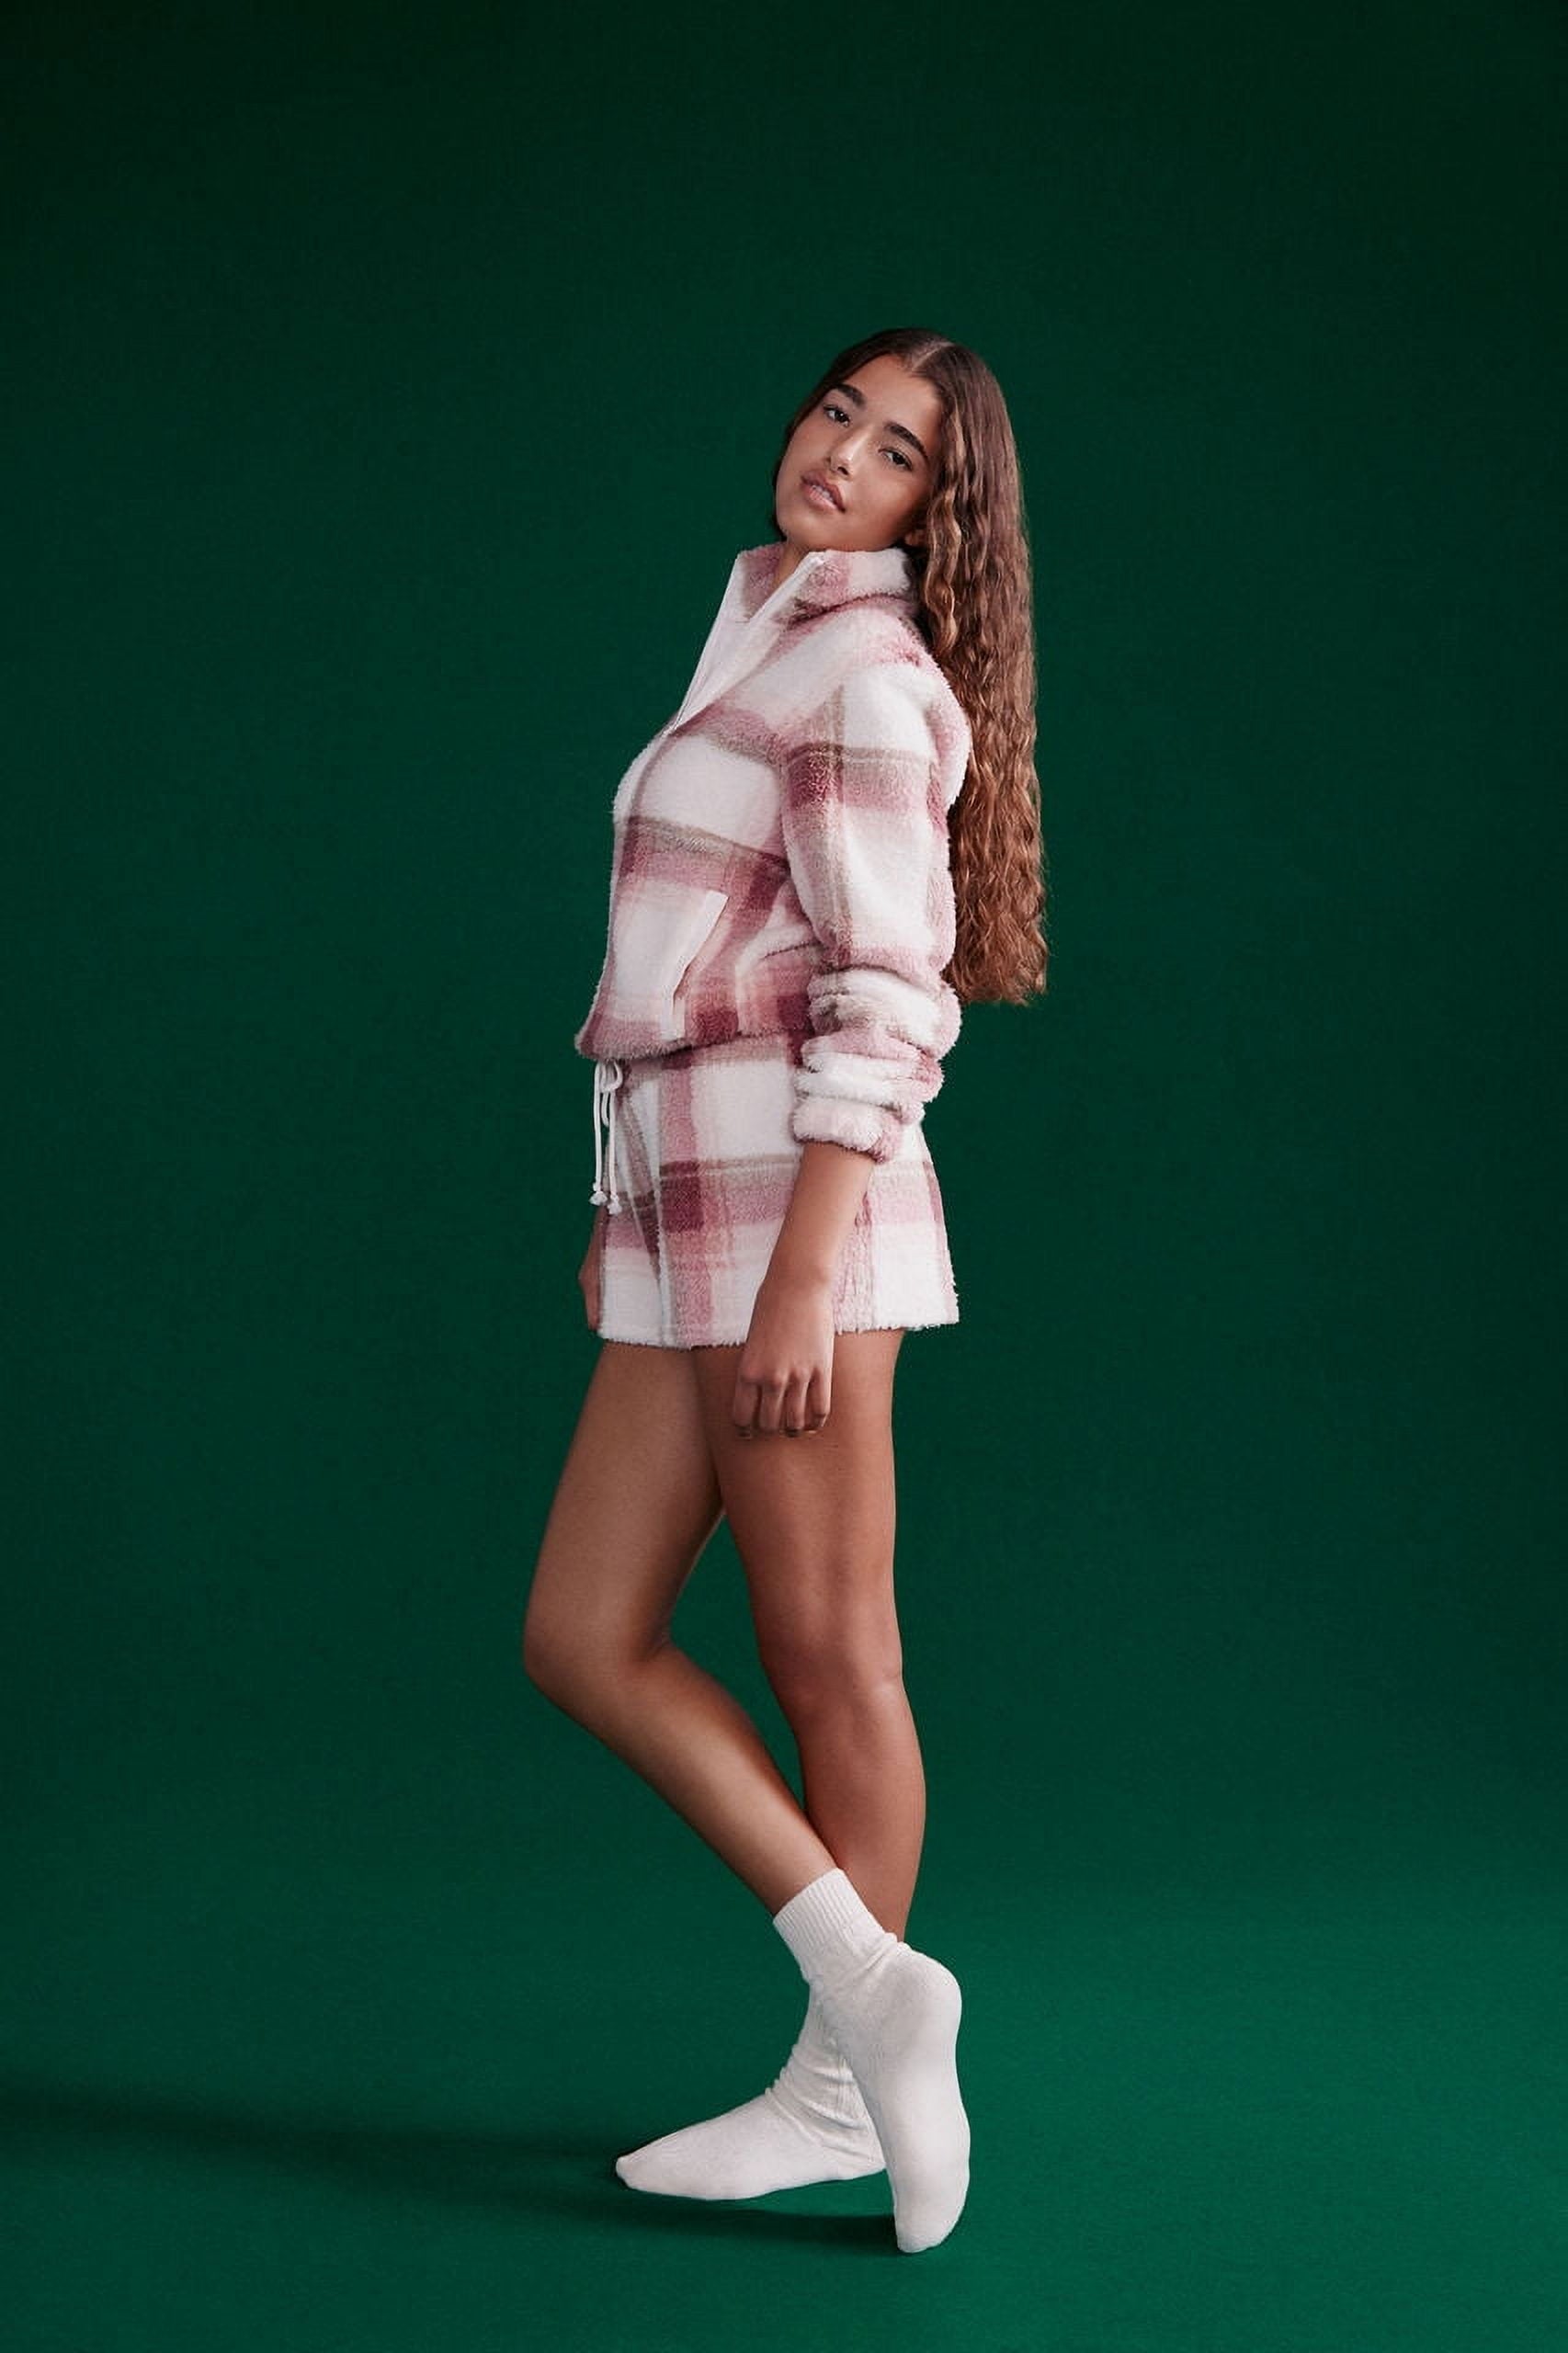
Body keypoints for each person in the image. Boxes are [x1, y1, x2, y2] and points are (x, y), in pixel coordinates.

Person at [522, 325, 1046, 2255]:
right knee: (582, 1632)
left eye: (895, 449)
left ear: (938, 509)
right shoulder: (764, 630)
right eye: (839, 411)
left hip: (794, 1213)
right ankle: (873, 1990)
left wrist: (802, 1276)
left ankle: (843, 2091)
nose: (841, 454)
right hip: (689, 1204)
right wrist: (629, 1216)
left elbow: (890, 992)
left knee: (832, 1652)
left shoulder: (867, 677)